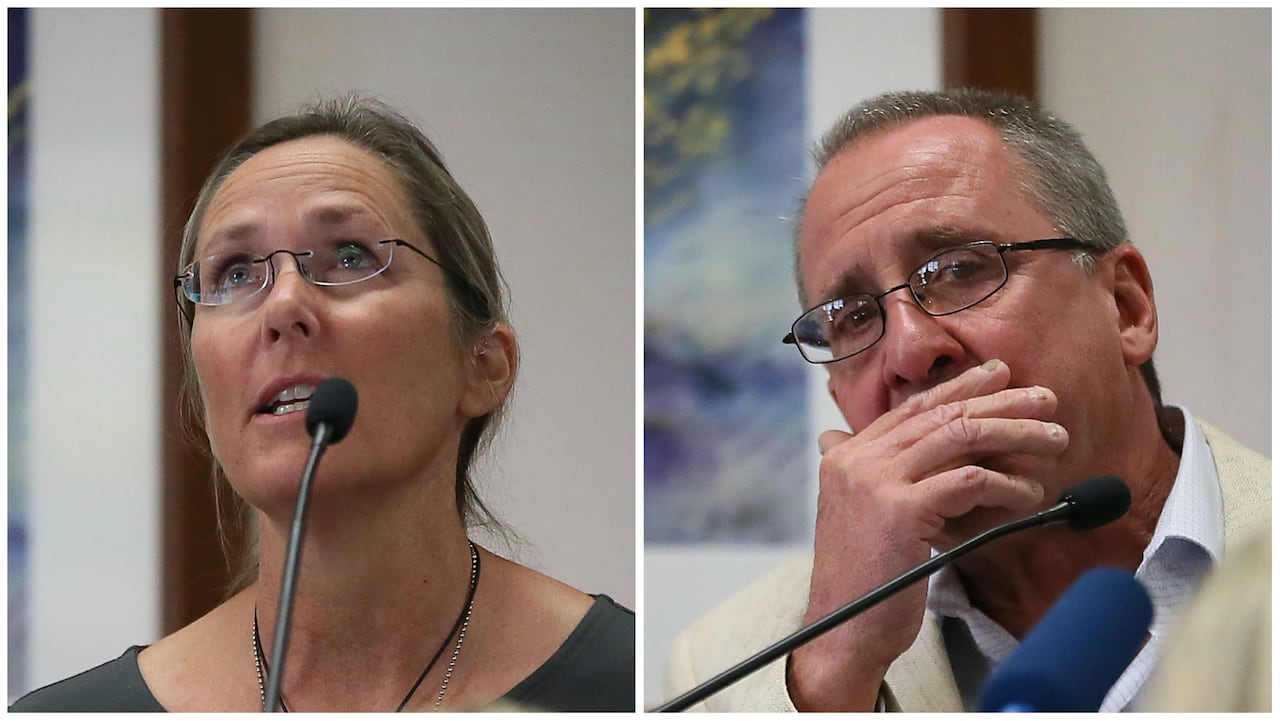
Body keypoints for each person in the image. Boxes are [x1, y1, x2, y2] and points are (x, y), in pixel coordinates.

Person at [12, 95, 634, 712]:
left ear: (483, 365)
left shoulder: (646, 690)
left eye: (349, 255)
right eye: (233, 272)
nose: (283, 307)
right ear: (204, 390)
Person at [663, 88, 1269, 711]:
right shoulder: (720, 667)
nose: (909, 352)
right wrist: (836, 670)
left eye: (958, 270)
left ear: (1126, 306)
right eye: (852, 317)